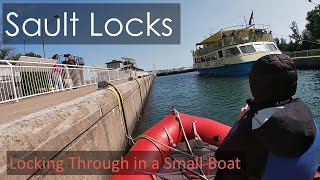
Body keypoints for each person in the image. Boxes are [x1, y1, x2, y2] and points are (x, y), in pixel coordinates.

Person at [215, 54, 320, 180]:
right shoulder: (304, 109)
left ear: (256, 85)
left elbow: (221, 155)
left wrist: (239, 120)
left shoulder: (253, 124)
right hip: (306, 176)